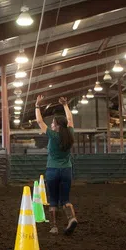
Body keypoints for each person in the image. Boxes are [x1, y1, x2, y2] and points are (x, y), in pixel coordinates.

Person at [35, 95, 78, 236]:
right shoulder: (69, 133)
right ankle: (71, 218)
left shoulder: (53, 136)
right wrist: (65, 105)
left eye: (53, 123)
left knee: (53, 199)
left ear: (57, 126)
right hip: (66, 169)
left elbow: (39, 121)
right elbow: (70, 119)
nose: (51, 124)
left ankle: (54, 227)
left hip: (52, 170)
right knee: (65, 199)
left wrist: (37, 105)